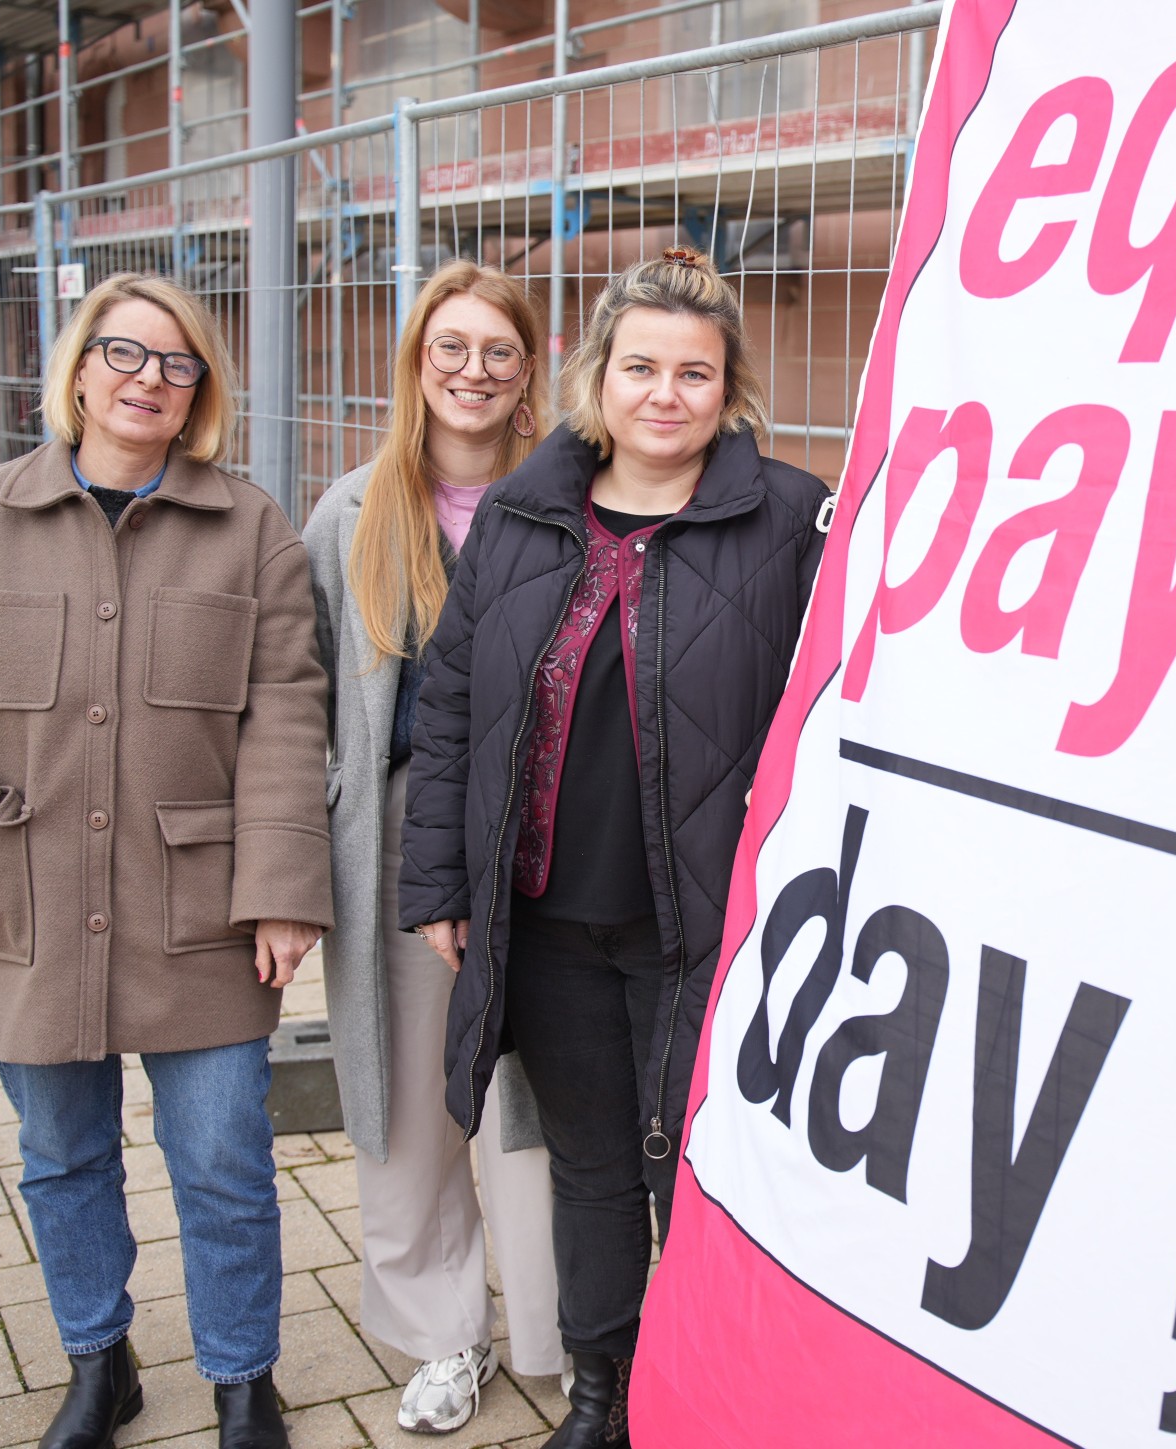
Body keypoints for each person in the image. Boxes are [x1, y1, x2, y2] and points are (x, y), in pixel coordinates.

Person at [0, 272, 333, 1449]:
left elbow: (284, 714)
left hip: (204, 913)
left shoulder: (251, 527)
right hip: (28, 901)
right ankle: (98, 1363)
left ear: (199, 396)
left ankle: (241, 1378)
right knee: (62, 1155)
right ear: (77, 370)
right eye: (125, 355)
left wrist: (281, 891)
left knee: (222, 1160)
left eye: (176, 367)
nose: (147, 382)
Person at [399, 246, 829, 1449]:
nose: (664, 395)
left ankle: (704, 1400)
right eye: (640, 366)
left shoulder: (788, 519)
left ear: (728, 387)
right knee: (588, 1168)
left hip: (698, 925)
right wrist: (439, 883)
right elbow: (450, 709)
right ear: (598, 376)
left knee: (693, 1178)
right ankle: (602, 1397)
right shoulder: (525, 516)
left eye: (694, 373)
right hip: (543, 923)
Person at [302, 260, 563, 1435]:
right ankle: (440, 1339)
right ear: (416, 365)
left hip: (542, 839)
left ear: (527, 377)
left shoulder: (574, 501)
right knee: (412, 1108)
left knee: (533, 1103)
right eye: (448, 347)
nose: (472, 370)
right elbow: (302, 702)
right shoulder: (352, 513)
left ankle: (557, 1337)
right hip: (402, 838)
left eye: (497, 352)